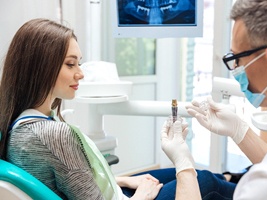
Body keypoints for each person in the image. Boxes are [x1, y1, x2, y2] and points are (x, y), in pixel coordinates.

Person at [0, 18, 238, 200]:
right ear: (39, 66)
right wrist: (142, 195)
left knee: (192, 175)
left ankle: (235, 178)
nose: (80, 73)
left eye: (79, 63)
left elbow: (71, 180)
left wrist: (122, 179)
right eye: (70, 64)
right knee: (205, 180)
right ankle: (259, 187)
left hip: (108, 190)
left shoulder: (18, 124)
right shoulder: (52, 134)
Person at [162, 0, 267, 199]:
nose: (236, 69)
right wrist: (239, 130)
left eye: (238, 59)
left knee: (205, 182)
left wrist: (184, 165)